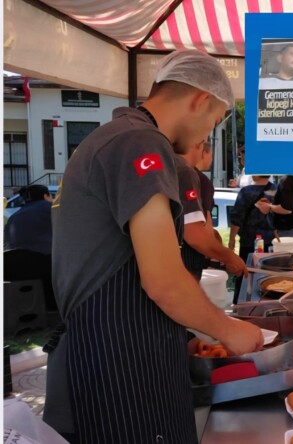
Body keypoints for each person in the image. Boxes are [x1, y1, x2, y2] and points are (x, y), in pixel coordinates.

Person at [43, 49, 264, 443]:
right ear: (200, 100)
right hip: (117, 372)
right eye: (211, 124)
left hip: (116, 355)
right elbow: (162, 280)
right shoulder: (139, 143)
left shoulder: (112, 138)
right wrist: (228, 330)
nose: (203, 138)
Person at [178, 140, 247, 281]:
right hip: (190, 259)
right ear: (201, 148)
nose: (212, 158)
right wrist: (227, 257)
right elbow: (203, 228)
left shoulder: (173, 169)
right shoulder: (193, 176)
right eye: (211, 154)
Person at [229, 175, 277, 303]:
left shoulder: (246, 192)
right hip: (270, 243)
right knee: (269, 276)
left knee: (246, 275)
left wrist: (231, 239)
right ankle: (266, 304)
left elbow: (236, 218)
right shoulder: (276, 190)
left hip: (248, 242)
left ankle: (242, 304)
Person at [258, 175, 293, 245]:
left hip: (290, 234)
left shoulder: (287, 180)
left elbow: (287, 209)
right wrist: (272, 205)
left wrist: (269, 207)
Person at [3, 185, 53, 254]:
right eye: (51, 196)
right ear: (45, 196)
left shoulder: (13, 216)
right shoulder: (51, 208)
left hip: (12, 259)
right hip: (44, 258)